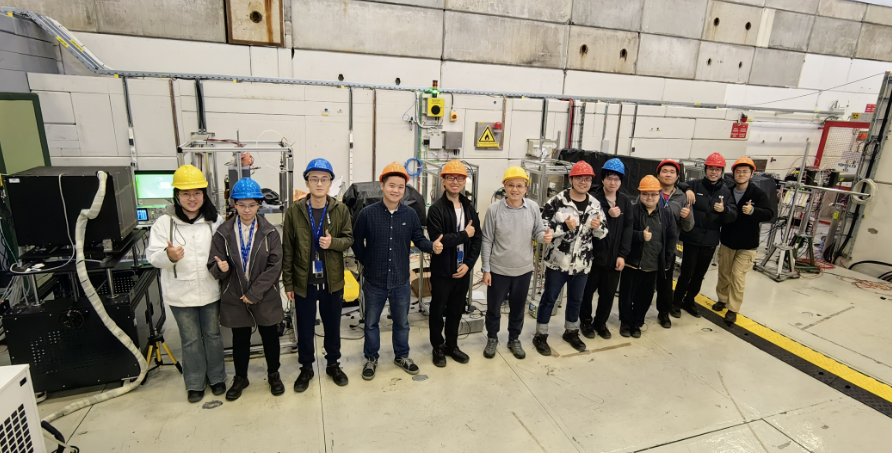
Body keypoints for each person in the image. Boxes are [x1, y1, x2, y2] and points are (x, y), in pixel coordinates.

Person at [353, 162, 442, 380]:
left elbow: (419, 239)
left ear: (404, 190)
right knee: (371, 323)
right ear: (382, 186)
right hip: (374, 281)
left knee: (402, 323)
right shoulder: (367, 214)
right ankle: (371, 358)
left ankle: (401, 356)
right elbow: (356, 241)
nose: (396, 190)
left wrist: (432, 246)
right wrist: (367, 262)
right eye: (391, 185)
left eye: (400, 187)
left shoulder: (410, 214)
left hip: (401, 281)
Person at [145, 164, 225, 403]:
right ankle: (195, 383)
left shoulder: (214, 221)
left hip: (210, 289)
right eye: (186, 193)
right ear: (177, 195)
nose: (192, 198)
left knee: (213, 335)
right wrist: (168, 256)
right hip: (180, 293)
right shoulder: (164, 223)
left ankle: (217, 377)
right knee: (190, 340)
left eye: (197, 193)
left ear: (204, 194)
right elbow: (152, 257)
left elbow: (224, 250)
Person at [208, 177, 284, 400]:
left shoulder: (270, 232)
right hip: (235, 294)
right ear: (234, 205)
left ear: (259, 204)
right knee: (240, 338)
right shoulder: (223, 232)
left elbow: (275, 266)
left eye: (252, 205)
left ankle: (273, 374)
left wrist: (254, 293)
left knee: (270, 335)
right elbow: (213, 263)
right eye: (242, 205)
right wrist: (220, 268)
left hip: (264, 294)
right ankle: (241, 377)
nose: (247, 210)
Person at [283, 158, 354, 392]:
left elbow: (349, 240)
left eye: (324, 179)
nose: (320, 183)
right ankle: (306, 367)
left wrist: (333, 243)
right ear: (307, 182)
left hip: (332, 280)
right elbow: (288, 249)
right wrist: (288, 283)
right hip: (304, 281)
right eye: (314, 179)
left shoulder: (340, 210)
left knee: (332, 325)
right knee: (304, 327)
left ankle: (333, 364)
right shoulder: (294, 212)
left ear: (331, 182)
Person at [532, 161, 608, 356]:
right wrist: (564, 227)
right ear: (571, 179)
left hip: (582, 264)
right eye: (579, 178)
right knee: (549, 299)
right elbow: (542, 230)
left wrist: (597, 227)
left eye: (587, 179)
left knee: (576, 300)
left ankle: (571, 332)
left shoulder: (595, 204)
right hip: (557, 262)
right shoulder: (556, 202)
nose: (583, 182)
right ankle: (540, 334)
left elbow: (603, 233)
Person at [481, 167, 551, 360]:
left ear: (526, 189)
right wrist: (486, 269)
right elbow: (486, 240)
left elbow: (538, 232)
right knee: (494, 309)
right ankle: (492, 337)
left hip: (523, 270)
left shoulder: (533, 208)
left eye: (519, 186)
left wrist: (545, 237)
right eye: (511, 185)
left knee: (518, 309)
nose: (515, 189)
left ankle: (514, 339)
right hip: (498, 270)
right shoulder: (494, 210)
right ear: (504, 187)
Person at [426, 160, 482, 367]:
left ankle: (452, 345)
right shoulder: (436, 209)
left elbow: (477, 239)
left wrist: (468, 264)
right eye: (451, 178)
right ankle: (438, 346)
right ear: (443, 181)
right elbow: (439, 240)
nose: (455, 182)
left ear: (465, 181)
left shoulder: (469, 208)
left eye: (459, 178)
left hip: (462, 269)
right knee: (437, 310)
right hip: (442, 271)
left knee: (456, 310)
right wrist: (464, 234)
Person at [674, 153, 737, 317]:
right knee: (686, 273)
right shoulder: (694, 185)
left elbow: (733, 214)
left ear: (722, 171)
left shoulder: (726, 192)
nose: (714, 172)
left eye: (717, 169)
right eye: (711, 168)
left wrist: (724, 210)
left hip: (710, 240)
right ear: (706, 169)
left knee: (699, 275)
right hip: (692, 237)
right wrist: (687, 189)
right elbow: (678, 183)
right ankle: (676, 302)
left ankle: (689, 301)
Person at [712, 156, 773, 324]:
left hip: (747, 244)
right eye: (738, 171)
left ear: (751, 174)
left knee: (737, 277)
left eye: (745, 171)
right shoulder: (727, 191)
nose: (741, 174)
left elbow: (769, 213)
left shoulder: (758, 194)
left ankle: (733, 309)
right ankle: (722, 299)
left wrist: (753, 211)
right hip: (728, 241)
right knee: (724, 273)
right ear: (733, 174)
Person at [617, 176, 678, 338]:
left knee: (644, 297)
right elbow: (624, 233)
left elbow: (672, 237)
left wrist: (667, 260)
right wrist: (640, 236)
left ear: (659, 194)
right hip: (632, 263)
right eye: (645, 194)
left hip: (653, 264)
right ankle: (625, 322)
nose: (649, 197)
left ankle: (637, 323)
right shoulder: (632, 211)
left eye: (653, 194)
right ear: (640, 194)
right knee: (626, 296)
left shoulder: (666, 214)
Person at [580, 158, 632, 340]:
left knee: (608, 294)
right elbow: (586, 227)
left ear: (621, 181)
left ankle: (600, 323)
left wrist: (622, 255)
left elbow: (628, 229)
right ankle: (585, 321)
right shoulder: (593, 199)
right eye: (609, 178)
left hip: (614, 258)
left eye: (617, 179)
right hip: (593, 256)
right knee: (587, 292)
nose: (613, 182)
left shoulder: (625, 202)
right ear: (602, 179)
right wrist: (608, 216)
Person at [654, 159, 694, 328]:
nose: (668, 174)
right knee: (643, 281)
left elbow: (688, 227)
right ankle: (636, 312)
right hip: (648, 244)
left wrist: (687, 217)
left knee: (665, 282)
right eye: (664, 171)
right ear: (658, 175)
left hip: (668, 247)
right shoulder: (649, 191)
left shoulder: (682, 197)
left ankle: (664, 313)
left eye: (672, 172)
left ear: (677, 177)